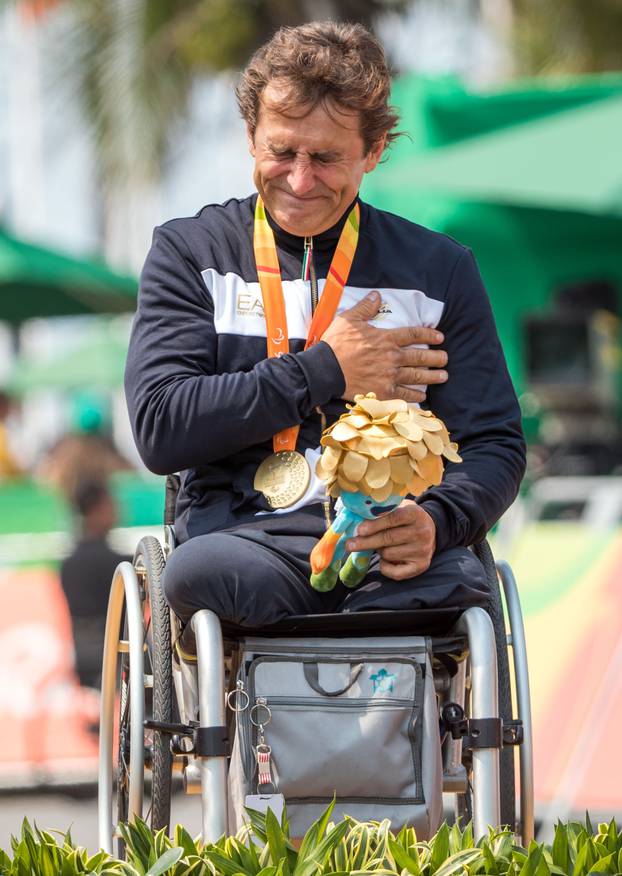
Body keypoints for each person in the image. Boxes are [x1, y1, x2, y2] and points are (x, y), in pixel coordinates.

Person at [125, 22, 526, 630]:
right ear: (250, 136)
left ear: (374, 151)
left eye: (326, 157)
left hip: (389, 543)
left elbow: (494, 442)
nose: (300, 179)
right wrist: (326, 369)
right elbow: (160, 427)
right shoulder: (191, 253)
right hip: (247, 541)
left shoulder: (439, 270)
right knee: (204, 578)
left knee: (463, 592)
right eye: (281, 151)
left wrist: (438, 521)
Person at [60, 478, 129, 687]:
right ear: (96, 510)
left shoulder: (68, 563)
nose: (117, 510)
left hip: (81, 658)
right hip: (114, 658)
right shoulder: (118, 565)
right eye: (110, 504)